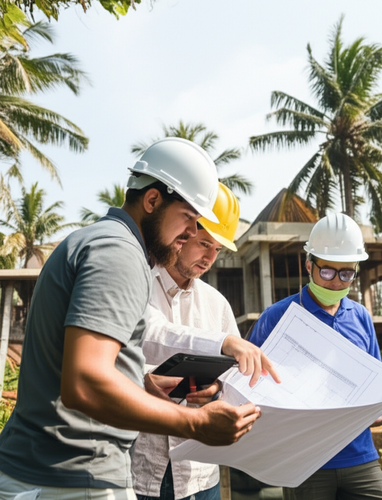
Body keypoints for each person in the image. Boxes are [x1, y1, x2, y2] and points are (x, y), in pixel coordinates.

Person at [0, 138, 275, 500]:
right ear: (152, 201)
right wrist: (195, 423)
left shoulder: (92, 241)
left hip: (51, 470)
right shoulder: (121, 253)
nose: (192, 233)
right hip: (77, 474)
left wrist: (141, 383)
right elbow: (84, 382)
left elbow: (81, 363)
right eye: (189, 220)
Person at [248, 213, 382, 500]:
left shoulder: (361, 317)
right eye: (327, 272)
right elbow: (248, 386)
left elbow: (376, 382)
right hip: (305, 461)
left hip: (359, 455)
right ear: (308, 265)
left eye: (346, 274)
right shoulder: (277, 317)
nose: (336, 283)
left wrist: (377, 408)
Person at [132, 182, 242, 500]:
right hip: (143, 467)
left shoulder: (217, 303)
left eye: (218, 249)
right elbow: (147, 336)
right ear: (183, 232)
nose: (210, 257)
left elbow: (232, 381)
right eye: (204, 243)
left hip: (201, 472)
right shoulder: (138, 283)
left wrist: (216, 390)